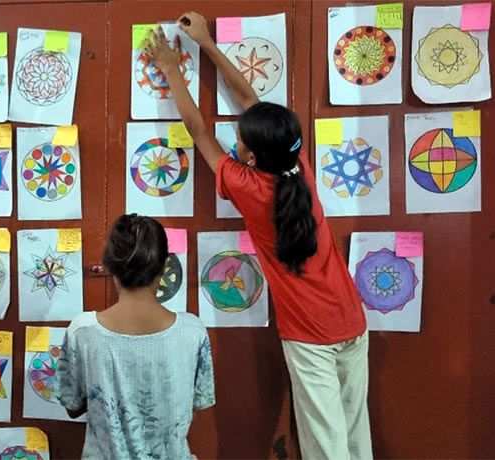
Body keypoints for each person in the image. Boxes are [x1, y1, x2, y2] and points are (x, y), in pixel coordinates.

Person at [145, 13, 373, 460]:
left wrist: (172, 69)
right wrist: (207, 45)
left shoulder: (249, 189)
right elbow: (250, 98)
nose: (235, 137)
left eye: (241, 139)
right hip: (351, 322)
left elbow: (198, 131)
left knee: (326, 446)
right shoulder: (296, 167)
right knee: (353, 437)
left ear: (250, 154)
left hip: (311, 337)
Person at [57, 214, 215, 460]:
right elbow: (199, 401)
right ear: (164, 266)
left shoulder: (83, 332)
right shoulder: (193, 331)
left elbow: (72, 405)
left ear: (109, 265)